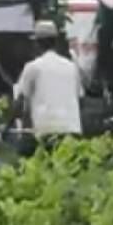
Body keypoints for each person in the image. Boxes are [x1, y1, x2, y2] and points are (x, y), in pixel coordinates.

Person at [11, 19, 84, 152]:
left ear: (37, 44)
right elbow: (80, 99)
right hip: (73, 131)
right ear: (55, 42)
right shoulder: (71, 67)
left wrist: (8, 127)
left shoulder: (33, 67)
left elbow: (19, 105)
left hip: (47, 132)